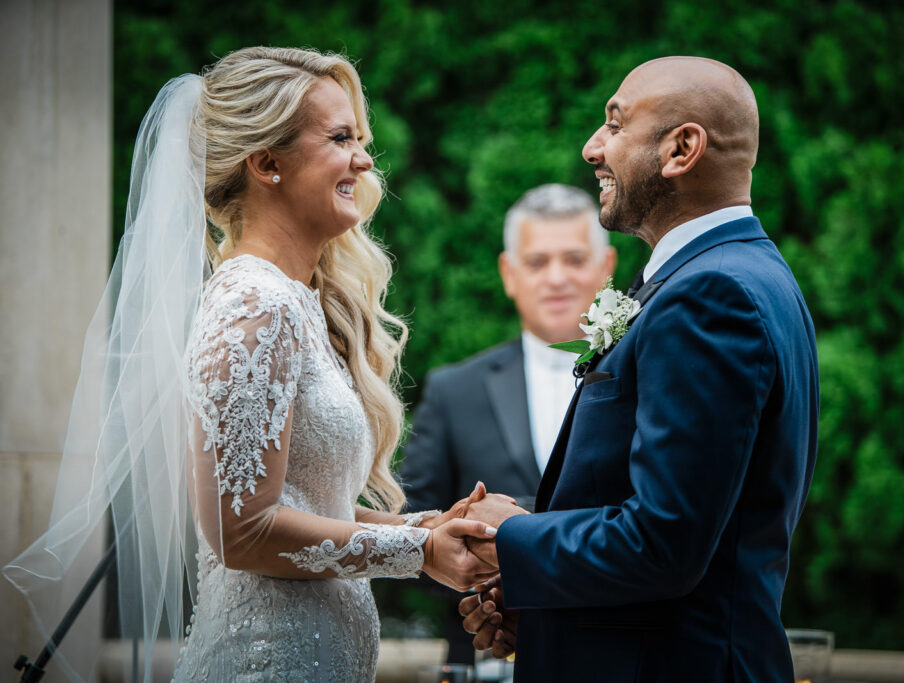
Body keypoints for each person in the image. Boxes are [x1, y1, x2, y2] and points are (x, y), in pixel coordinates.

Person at [5, 47, 498, 683]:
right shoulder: (253, 307)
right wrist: (416, 550)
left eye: (361, 138)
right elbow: (241, 532)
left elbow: (303, 500)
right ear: (267, 164)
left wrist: (427, 528)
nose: (365, 160)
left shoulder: (295, 303)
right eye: (342, 138)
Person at [459, 56, 820, 682]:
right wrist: (546, 610)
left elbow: (664, 541)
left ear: (682, 148)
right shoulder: (737, 274)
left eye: (615, 126)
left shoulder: (712, 295)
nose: (591, 148)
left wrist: (513, 538)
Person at [399, 183, 615, 662]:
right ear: (509, 273)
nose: (556, 278)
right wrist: (490, 580)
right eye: (537, 263)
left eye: (575, 260)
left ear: (606, 268)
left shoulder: (643, 381)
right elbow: (410, 527)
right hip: (485, 657)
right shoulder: (454, 390)